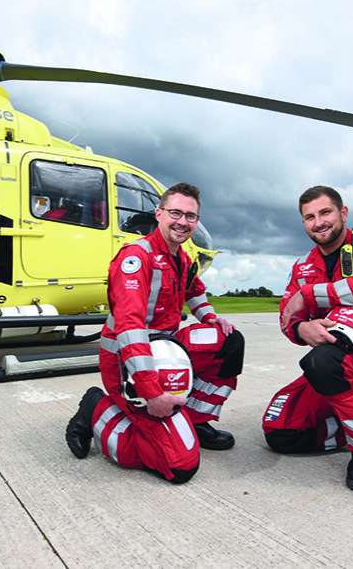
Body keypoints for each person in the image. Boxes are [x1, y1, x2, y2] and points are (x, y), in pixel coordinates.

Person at [65, 182, 244, 483]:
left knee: (229, 342)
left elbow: (195, 292)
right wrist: (151, 393)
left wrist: (212, 318)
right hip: (128, 360)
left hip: (165, 349)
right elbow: (130, 327)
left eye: (190, 216)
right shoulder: (137, 257)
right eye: (175, 213)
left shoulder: (181, 258)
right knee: (179, 467)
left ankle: (196, 420)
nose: (182, 222)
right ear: (159, 213)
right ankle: (96, 409)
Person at [263, 185, 353, 494]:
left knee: (323, 361)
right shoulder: (303, 266)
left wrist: (308, 294)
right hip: (330, 371)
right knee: (281, 433)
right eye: (309, 217)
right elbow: (287, 315)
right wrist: (302, 330)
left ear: (343, 213)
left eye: (325, 212)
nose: (318, 223)